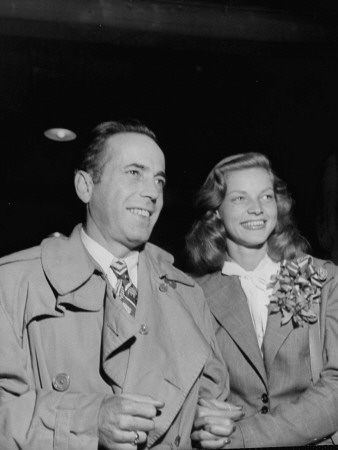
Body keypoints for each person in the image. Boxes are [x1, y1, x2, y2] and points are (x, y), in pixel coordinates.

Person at [0, 121, 238, 450]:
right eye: (134, 173)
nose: (153, 192)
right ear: (85, 186)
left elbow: (211, 399)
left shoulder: (188, 294)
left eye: (159, 179)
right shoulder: (13, 284)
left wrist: (204, 426)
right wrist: (88, 420)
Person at [186, 152, 338, 448]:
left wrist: (243, 436)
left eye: (266, 197)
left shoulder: (322, 278)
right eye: (240, 198)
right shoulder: (193, 294)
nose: (257, 209)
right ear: (216, 210)